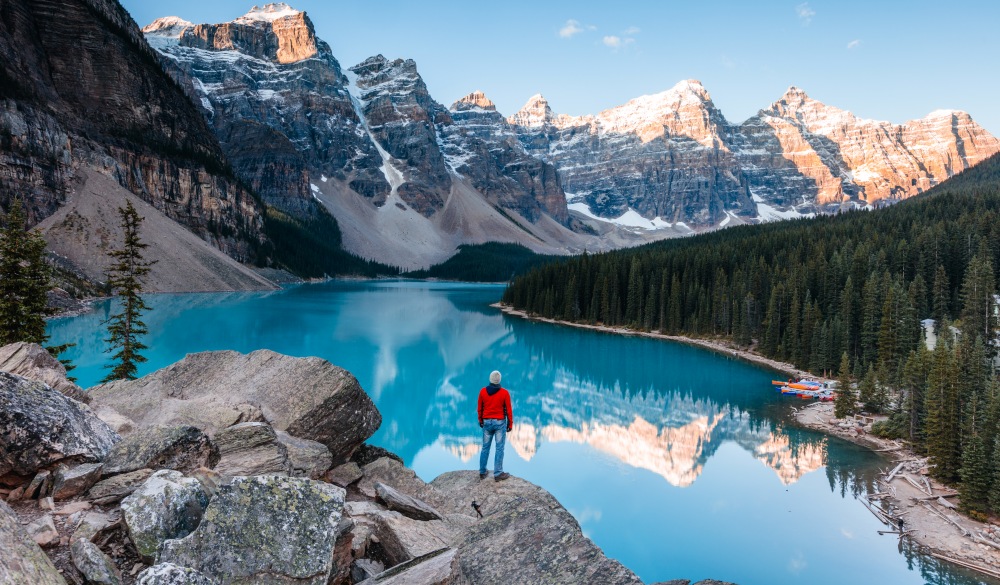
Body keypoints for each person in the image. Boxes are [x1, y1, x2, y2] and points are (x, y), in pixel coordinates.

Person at [478, 369, 513, 481]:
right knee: (499, 448)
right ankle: (498, 474)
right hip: (499, 423)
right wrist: (510, 424)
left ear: (490, 379)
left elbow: (479, 408)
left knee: (485, 448)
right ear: (499, 380)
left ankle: (482, 472)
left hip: (487, 422)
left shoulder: (483, 391)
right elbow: (508, 410)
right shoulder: (504, 393)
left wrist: (481, 420)